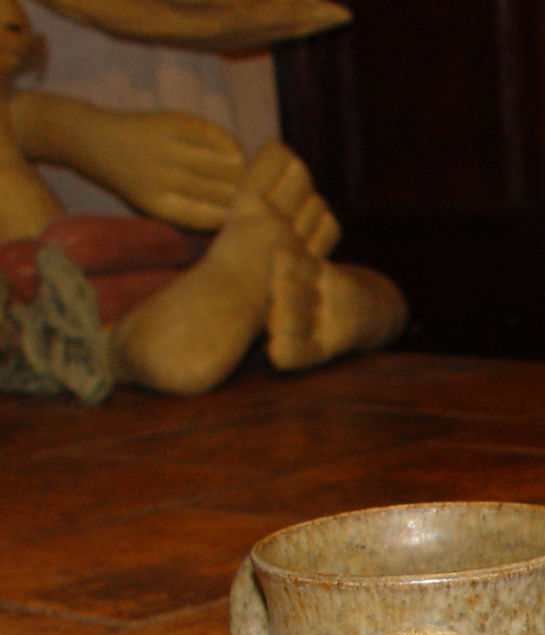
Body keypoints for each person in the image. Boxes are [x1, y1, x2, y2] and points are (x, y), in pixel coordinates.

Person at [0, 0, 402, 399]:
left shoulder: (14, 116)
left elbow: (50, 124)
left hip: (54, 280)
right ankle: (357, 303)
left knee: (95, 275)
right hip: (39, 299)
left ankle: (351, 298)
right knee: (112, 320)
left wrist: (118, 146)